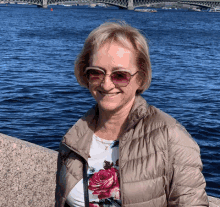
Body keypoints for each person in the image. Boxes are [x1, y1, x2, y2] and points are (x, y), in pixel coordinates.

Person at [55, 21, 208, 207]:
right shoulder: (73, 140)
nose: (106, 84)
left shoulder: (171, 137)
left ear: (141, 78)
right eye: (96, 73)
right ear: (85, 75)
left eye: (120, 75)